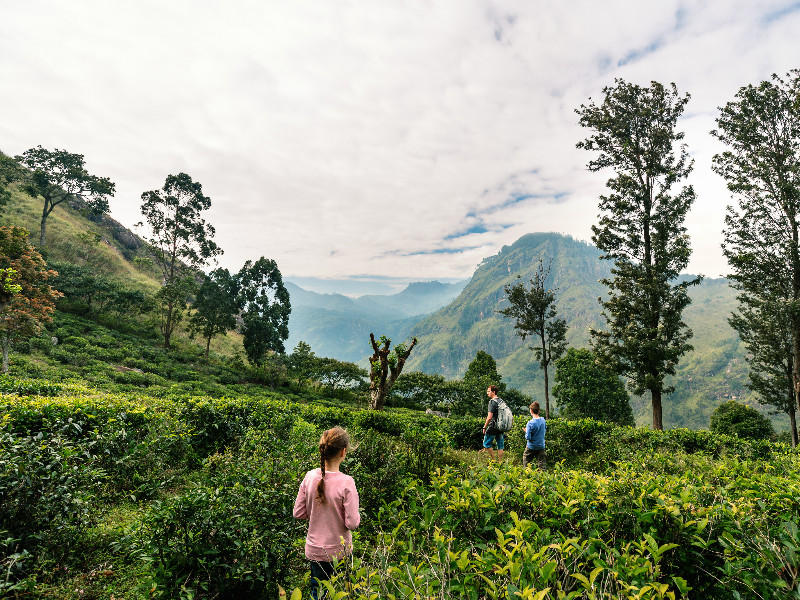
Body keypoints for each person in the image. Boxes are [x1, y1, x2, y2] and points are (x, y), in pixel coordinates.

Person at [293, 427, 360, 600]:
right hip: (340, 551)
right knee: (347, 591)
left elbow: (298, 512)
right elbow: (352, 523)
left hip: (315, 550)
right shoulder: (347, 482)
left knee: (319, 594)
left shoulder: (309, 477)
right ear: (343, 452)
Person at [481, 385, 505, 461]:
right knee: (500, 445)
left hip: (493, 426)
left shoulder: (492, 402)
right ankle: (500, 463)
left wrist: (484, 427)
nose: (487, 393)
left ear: (493, 392)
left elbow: (489, 417)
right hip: (501, 426)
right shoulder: (501, 401)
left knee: (486, 444)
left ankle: (493, 460)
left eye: (488, 391)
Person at [523, 401, 546, 470]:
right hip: (541, 445)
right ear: (539, 411)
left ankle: (527, 476)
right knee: (542, 464)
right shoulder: (543, 420)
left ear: (531, 411)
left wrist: (527, 431)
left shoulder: (530, 423)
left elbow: (528, 437)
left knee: (526, 460)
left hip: (531, 446)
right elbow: (544, 430)